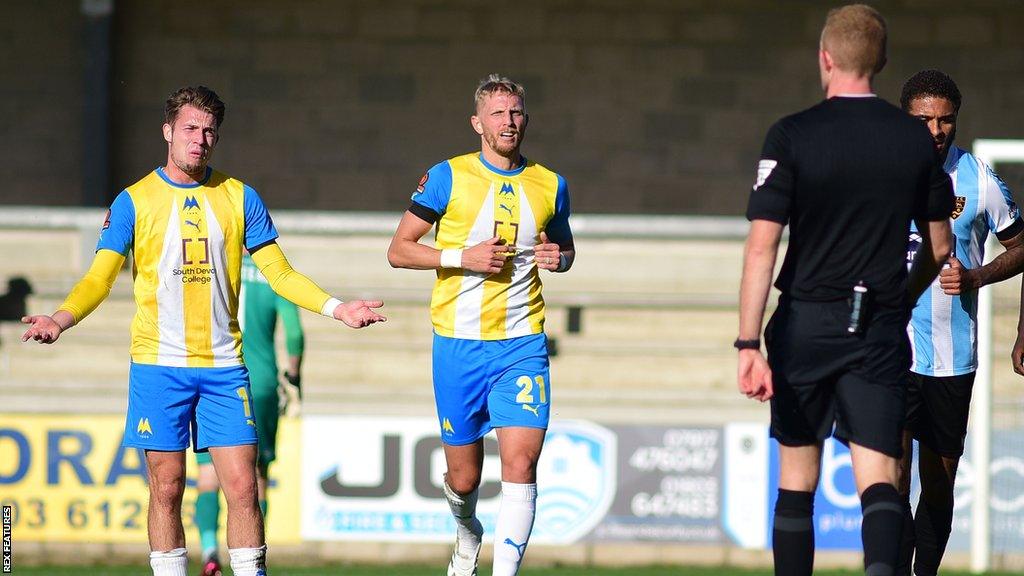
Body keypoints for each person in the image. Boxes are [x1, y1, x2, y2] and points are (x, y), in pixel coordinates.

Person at [21, 85, 385, 576]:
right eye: (190, 128)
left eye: (210, 130)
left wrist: (337, 308)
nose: (201, 139)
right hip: (158, 366)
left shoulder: (240, 197)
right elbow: (99, 277)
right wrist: (59, 319)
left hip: (223, 368)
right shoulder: (133, 201)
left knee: (243, 487)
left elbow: (280, 273)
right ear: (168, 131)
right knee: (167, 487)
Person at [736, 5, 954, 576]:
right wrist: (902, 299)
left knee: (797, 480)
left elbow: (762, 246)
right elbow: (939, 247)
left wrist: (747, 344)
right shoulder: (914, 141)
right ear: (880, 62)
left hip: (806, 322)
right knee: (879, 477)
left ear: (825, 58)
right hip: (880, 323)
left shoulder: (793, 133)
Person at [387, 74, 574, 576]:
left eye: (515, 113)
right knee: (464, 479)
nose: (508, 122)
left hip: (522, 344)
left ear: (526, 120)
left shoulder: (551, 184)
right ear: (477, 124)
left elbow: (564, 247)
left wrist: (561, 258)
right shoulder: (447, 177)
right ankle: (467, 528)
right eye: (497, 114)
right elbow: (398, 251)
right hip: (458, 346)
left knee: (522, 464)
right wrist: (461, 257)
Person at [898, 70, 1024, 576]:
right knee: (890, 472)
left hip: (953, 358)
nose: (935, 130)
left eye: (945, 120)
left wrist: (977, 278)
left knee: (939, 479)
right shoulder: (878, 173)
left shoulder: (977, 179)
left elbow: (1021, 246)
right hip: (891, 349)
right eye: (924, 119)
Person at [194, 250, 305, 576]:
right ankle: (253, 559)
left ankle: (210, 550)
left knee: (208, 473)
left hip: (212, 378)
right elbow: (295, 334)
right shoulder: (274, 272)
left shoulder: (211, 265)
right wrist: (294, 376)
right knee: (256, 474)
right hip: (260, 383)